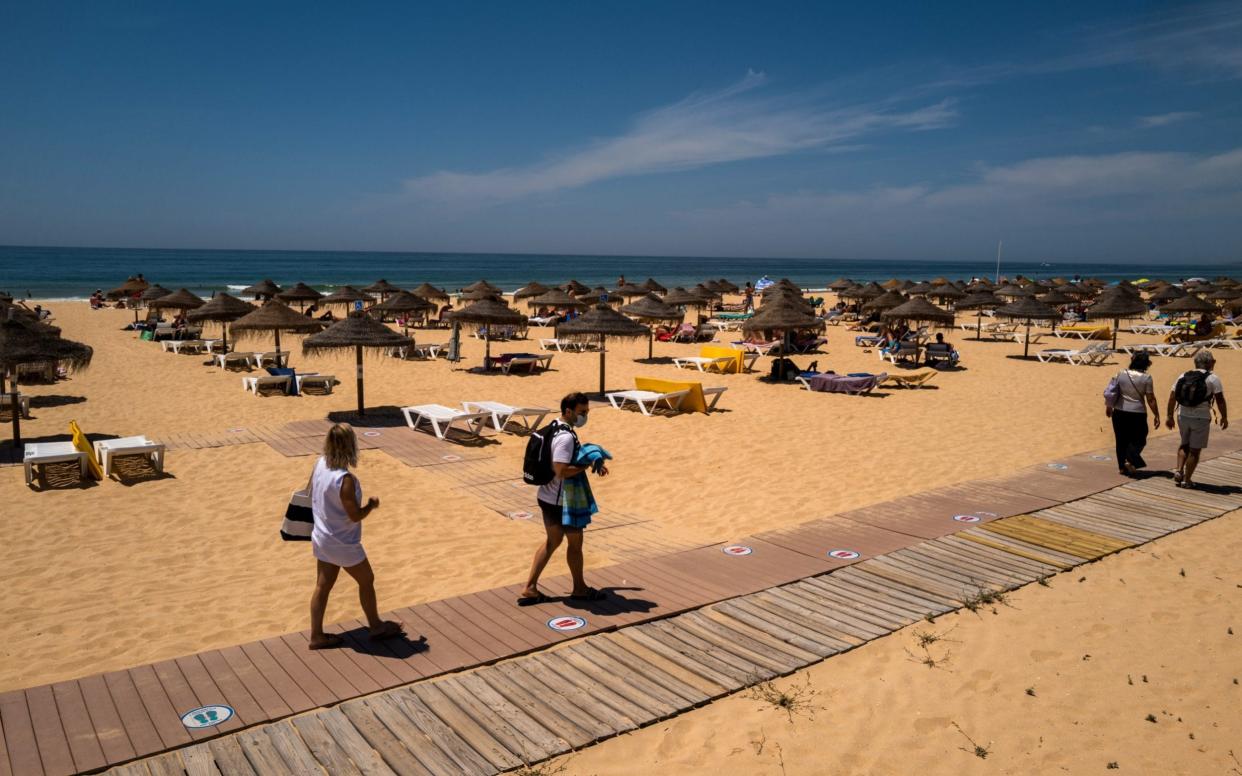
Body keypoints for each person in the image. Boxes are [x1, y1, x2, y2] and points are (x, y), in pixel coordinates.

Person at [307, 424, 403, 649]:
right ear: (350, 446)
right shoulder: (345, 479)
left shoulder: (319, 463)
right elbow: (355, 515)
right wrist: (370, 505)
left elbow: (312, 493)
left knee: (322, 586)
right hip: (342, 542)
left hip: (322, 535)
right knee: (366, 579)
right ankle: (376, 626)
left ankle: (316, 635)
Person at [519, 392, 609, 605]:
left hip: (547, 497)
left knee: (553, 542)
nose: (585, 416)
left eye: (586, 412)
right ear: (568, 411)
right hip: (561, 502)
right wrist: (585, 465)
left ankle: (530, 587)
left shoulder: (555, 425)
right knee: (575, 544)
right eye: (582, 412)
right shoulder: (566, 437)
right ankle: (579, 589)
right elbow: (560, 470)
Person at [1166, 350, 1228, 489]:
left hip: (1182, 415)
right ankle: (1187, 480)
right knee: (1194, 450)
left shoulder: (1183, 375)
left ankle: (1179, 470)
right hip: (1201, 417)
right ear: (1210, 363)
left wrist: (1169, 416)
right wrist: (1224, 416)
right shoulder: (1213, 378)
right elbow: (1220, 400)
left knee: (1184, 444)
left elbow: (1172, 397)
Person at [1107, 352, 1159, 476]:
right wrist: (1156, 414)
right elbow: (1150, 399)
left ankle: (1122, 467)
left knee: (1121, 440)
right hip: (1137, 413)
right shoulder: (1147, 378)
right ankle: (1129, 459)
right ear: (1146, 364)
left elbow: (1111, 391)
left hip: (1119, 411)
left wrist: (1109, 407)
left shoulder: (1120, 373)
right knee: (1140, 439)